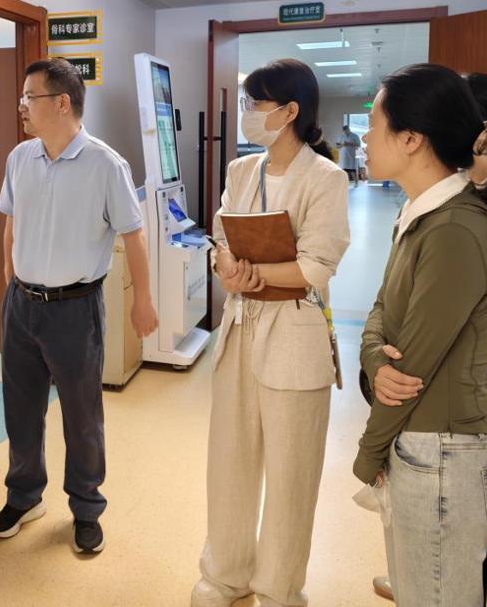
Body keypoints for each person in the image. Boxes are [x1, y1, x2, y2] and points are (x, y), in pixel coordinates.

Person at [354, 64, 487, 607]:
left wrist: (367, 454)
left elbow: (412, 368)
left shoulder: (456, 228)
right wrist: (372, 356)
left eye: (374, 125)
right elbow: (381, 309)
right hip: (422, 446)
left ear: (411, 139)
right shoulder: (422, 215)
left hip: (444, 457)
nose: (364, 138)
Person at [192, 59, 350, 607]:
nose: (246, 113)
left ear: (289, 112)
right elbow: (220, 236)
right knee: (230, 456)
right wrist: (226, 269)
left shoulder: (326, 178)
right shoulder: (242, 171)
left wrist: (253, 273)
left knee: (291, 469)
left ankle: (279, 588)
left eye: (254, 104)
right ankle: (225, 573)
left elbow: (317, 265)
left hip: (295, 329)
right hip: (241, 325)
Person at [0, 58, 159, 554]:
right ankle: (23, 497)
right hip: (22, 305)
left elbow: (134, 234)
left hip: (75, 310)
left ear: (62, 103)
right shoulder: (20, 157)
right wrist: (9, 278)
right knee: (21, 409)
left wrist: (143, 300)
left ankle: (86, 508)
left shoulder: (106, 164)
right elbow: (10, 221)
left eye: (29, 97)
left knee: (82, 416)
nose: (21, 106)